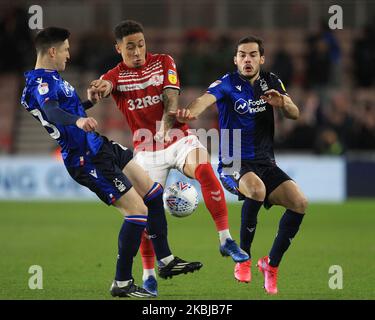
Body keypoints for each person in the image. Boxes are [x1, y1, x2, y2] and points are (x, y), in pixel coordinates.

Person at [20, 27, 202, 298]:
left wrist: (87, 104)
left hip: (99, 145)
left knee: (153, 192)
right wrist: (79, 120)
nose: (69, 55)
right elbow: (51, 111)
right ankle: (122, 282)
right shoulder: (40, 83)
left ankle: (165, 260)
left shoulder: (54, 79)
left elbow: (66, 109)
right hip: (84, 157)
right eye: (66, 50)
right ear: (52, 52)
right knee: (137, 212)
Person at [90, 20, 249, 296]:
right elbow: (103, 87)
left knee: (205, 170)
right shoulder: (115, 76)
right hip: (146, 151)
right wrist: (97, 90)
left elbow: (171, 95)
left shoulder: (163, 61)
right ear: (118, 49)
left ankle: (225, 239)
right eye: (130, 47)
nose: (138, 51)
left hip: (177, 138)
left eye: (141, 44)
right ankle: (149, 274)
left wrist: (165, 123)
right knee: (144, 212)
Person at [172, 36, 308, 295]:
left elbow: (295, 113)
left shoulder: (272, 81)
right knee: (255, 190)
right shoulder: (227, 83)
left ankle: (271, 265)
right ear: (235, 60)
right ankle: (243, 258)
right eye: (242, 55)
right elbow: (204, 99)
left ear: (261, 59)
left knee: (300, 203)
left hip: (266, 162)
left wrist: (283, 103)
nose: (247, 59)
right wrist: (190, 113)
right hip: (233, 162)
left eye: (253, 55)